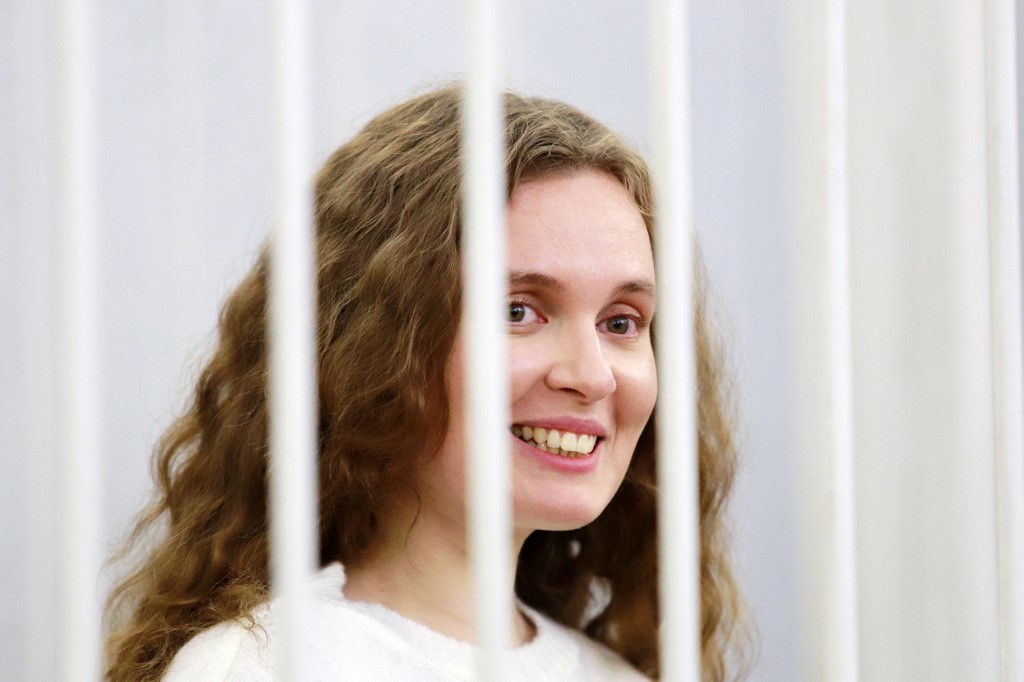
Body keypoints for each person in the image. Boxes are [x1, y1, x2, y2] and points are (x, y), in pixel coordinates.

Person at [104, 86, 746, 681]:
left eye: (622, 321)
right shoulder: (267, 666)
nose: (592, 375)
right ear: (370, 347)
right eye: (517, 309)